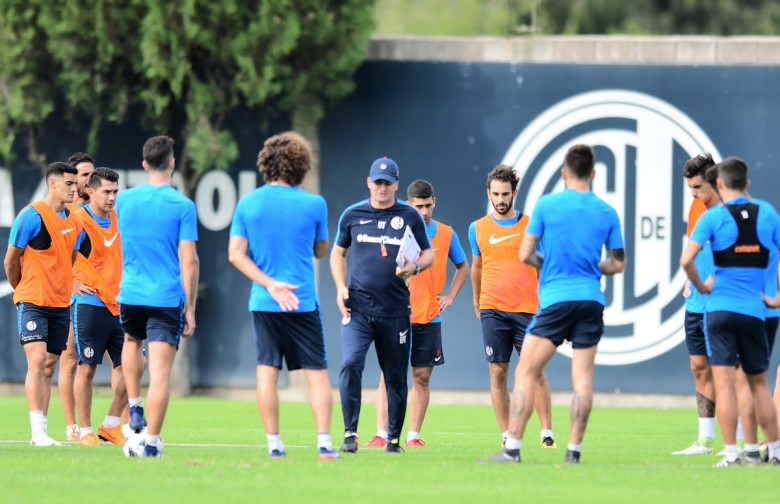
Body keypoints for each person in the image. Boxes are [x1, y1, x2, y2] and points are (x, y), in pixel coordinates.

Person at [483, 144, 626, 464]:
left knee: (526, 371)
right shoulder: (606, 211)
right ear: (593, 173)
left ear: (564, 173)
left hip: (556, 301)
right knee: (583, 378)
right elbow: (618, 264)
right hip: (590, 300)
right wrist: (592, 269)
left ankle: (513, 449)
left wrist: (550, 266)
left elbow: (526, 254)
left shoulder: (547, 206)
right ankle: (573, 451)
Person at [228, 132, 338, 460]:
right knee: (317, 374)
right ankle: (324, 444)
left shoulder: (248, 203)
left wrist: (270, 284)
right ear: (302, 165)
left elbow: (236, 254)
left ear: (266, 163)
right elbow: (321, 249)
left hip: (264, 301)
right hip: (302, 301)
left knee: (266, 371)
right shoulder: (314, 203)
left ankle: (275, 445)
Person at [330, 157, 434, 454]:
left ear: (397, 185)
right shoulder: (352, 215)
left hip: (395, 311)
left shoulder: (410, 215)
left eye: (388, 183)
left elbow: (429, 255)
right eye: (378, 182)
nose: (382, 188)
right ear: (369, 183)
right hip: (358, 308)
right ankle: (350, 433)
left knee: (395, 375)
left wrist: (413, 268)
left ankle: (394, 439)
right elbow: (338, 254)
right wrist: (340, 287)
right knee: (350, 363)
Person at [682, 157, 780, 467]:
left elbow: (687, 260)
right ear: (747, 183)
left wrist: (701, 284)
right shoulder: (767, 214)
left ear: (720, 184)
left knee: (726, 384)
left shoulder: (715, 218)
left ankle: (737, 453)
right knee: (757, 384)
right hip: (759, 308)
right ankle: (772, 452)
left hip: (720, 308)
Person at [365, 179, 469, 448]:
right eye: (418, 206)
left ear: (434, 202)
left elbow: (463, 266)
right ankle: (381, 434)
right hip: (396, 314)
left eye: (427, 205)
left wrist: (450, 296)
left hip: (429, 316)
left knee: (421, 378)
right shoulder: (395, 230)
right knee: (388, 376)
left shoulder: (446, 234)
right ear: (408, 204)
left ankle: (413, 437)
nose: (423, 211)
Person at [117, 135, 199, 458]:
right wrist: (190, 308)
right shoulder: (183, 205)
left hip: (131, 292)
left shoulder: (124, 200)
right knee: (161, 375)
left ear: (144, 164)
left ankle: (134, 404)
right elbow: (189, 260)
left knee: (131, 342)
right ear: (173, 164)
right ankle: (151, 443)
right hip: (165, 296)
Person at [468, 165, 554, 448]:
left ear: (515, 193)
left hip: (528, 309)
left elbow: (544, 266)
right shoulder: (477, 229)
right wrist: (477, 300)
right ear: (488, 194)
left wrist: (547, 302)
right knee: (498, 371)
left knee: (536, 371)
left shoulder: (531, 225)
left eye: (506, 194)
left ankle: (546, 433)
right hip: (492, 308)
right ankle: (507, 434)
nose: (501, 199)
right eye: (496, 194)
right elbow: (477, 267)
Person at [4, 161, 84, 446]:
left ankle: (44, 431)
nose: (75, 189)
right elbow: (10, 261)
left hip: (60, 305)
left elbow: (70, 260)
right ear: (52, 184)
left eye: (76, 184)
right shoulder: (31, 216)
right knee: (37, 362)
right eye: (69, 184)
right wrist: (23, 290)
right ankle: (37, 433)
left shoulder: (75, 223)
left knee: (49, 366)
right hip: (33, 302)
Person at [70, 168, 128, 447]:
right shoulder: (79, 219)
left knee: (132, 367)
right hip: (91, 303)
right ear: (90, 191)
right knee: (88, 368)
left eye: (115, 191)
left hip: (119, 304)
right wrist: (72, 282)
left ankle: (112, 424)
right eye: (106, 191)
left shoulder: (119, 218)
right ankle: (85, 431)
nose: (112, 197)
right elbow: (57, 254)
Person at [673, 154, 720, 456]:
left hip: (723, 300)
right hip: (696, 302)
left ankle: (740, 441)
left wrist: (716, 277)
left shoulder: (729, 211)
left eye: (699, 187)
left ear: (715, 181)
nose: (694, 194)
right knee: (698, 367)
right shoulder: (695, 206)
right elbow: (694, 248)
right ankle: (705, 440)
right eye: (690, 188)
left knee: (730, 371)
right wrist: (691, 278)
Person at [59, 152, 95, 441]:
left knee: (124, 357)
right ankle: (72, 426)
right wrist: (71, 282)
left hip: (103, 294)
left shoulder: (101, 210)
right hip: (73, 295)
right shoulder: (65, 214)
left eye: (91, 174)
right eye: (84, 175)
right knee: (70, 357)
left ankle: (118, 425)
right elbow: (54, 257)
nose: (88, 179)